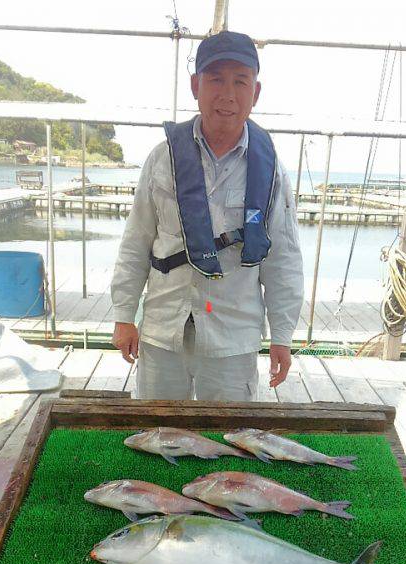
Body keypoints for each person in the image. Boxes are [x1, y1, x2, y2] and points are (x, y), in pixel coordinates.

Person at [111, 30, 304, 401]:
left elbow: (284, 256)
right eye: (215, 79)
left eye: (240, 81)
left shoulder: (271, 170)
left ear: (256, 93)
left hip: (233, 338)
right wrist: (123, 315)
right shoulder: (161, 159)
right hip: (162, 330)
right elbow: (136, 241)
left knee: (229, 438)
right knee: (157, 437)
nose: (227, 94)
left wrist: (282, 335)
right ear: (195, 85)